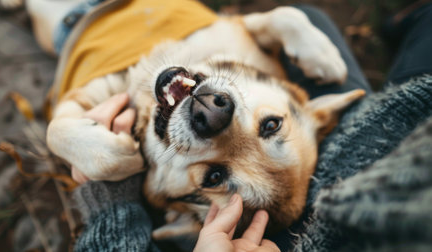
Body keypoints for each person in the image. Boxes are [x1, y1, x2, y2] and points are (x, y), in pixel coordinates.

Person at [72, 2, 432, 252]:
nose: (216, 119)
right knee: (309, 18)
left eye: (214, 176)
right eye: (270, 126)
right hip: (392, 131)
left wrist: (112, 206)